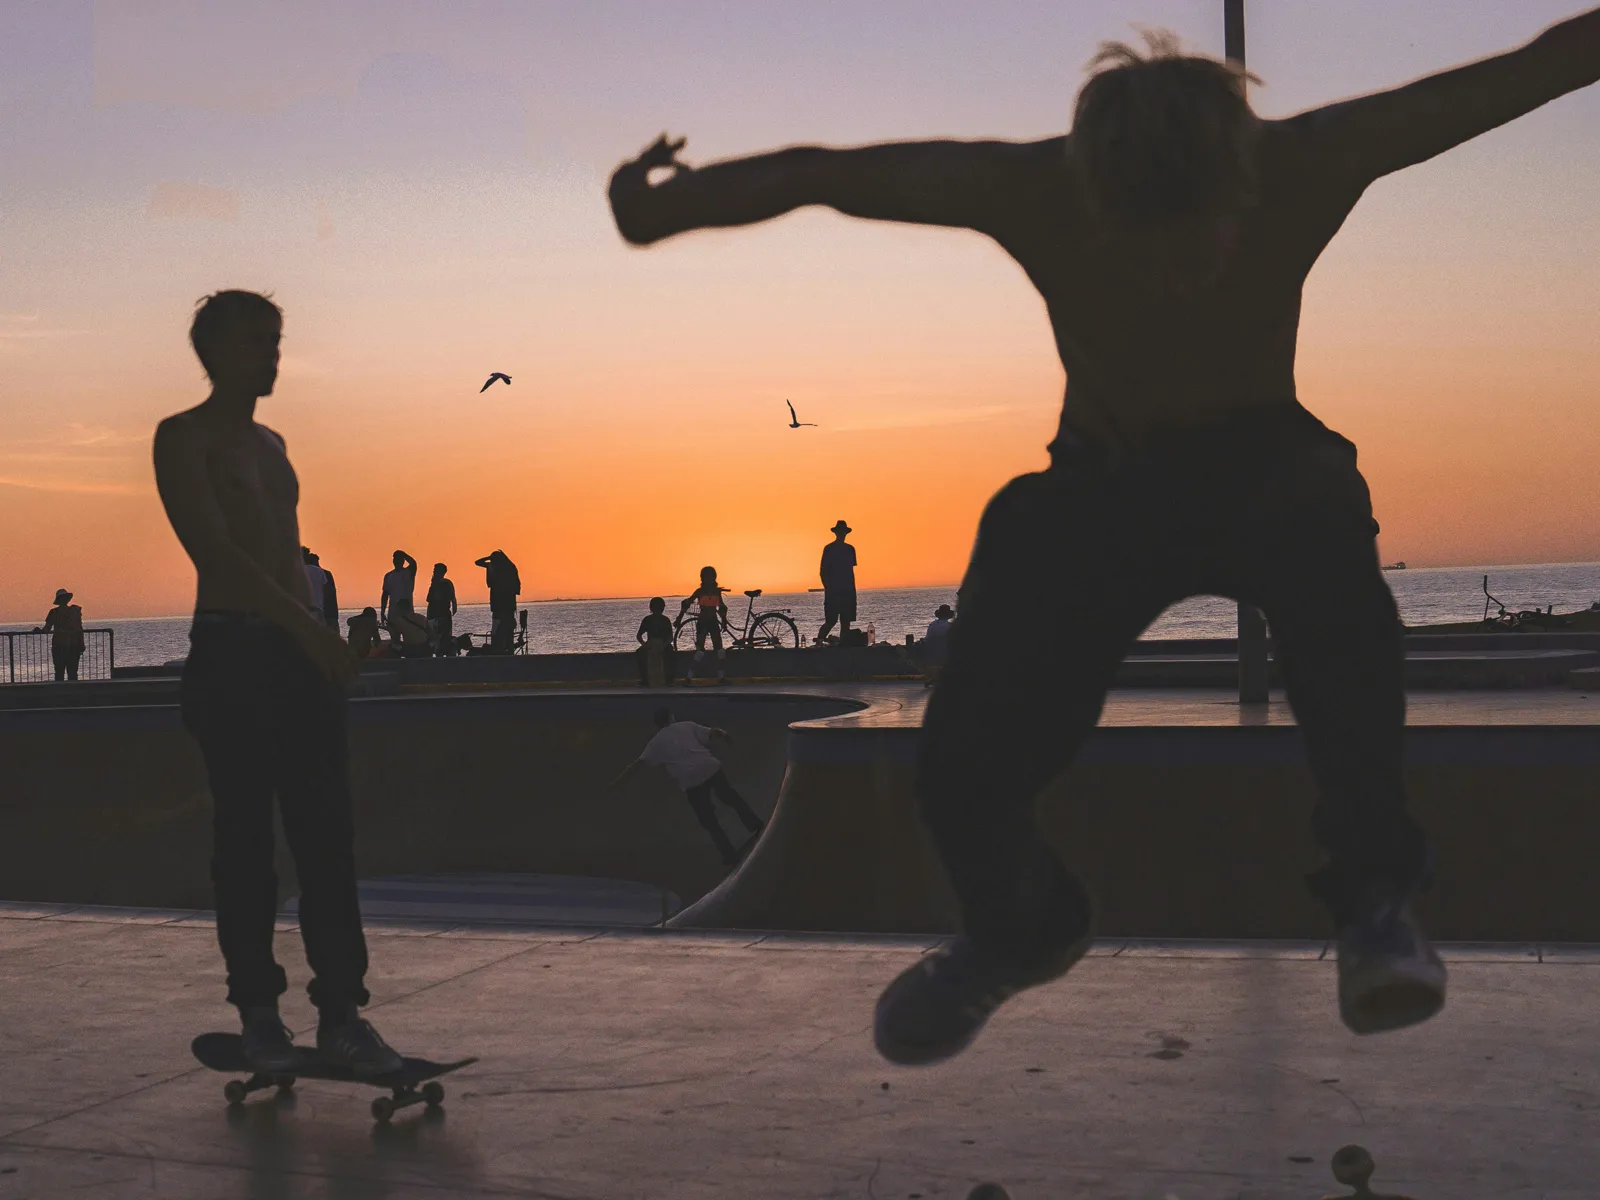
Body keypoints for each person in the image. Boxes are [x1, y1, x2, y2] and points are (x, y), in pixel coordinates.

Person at [609, 10, 1600, 1063]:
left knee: (1325, 527)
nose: (1174, 274)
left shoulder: (1308, 159)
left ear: (1242, 183)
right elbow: (828, 173)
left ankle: (1374, 900)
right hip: (1101, 484)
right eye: (1140, 247)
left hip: (1264, 464)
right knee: (965, 737)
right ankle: (1017, 921)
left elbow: (1526, 71)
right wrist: (658, 214)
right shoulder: (1033, 185)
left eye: (1198, 243)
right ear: (1092, 194)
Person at [152, 289, 401, 1076]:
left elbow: (286, 554)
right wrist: (307, 632)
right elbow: (218, 554)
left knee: (327, 841)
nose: (275, 354)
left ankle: (341, 1019)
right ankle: (261, 1016)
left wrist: (334, 636)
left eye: (278, 338)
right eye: (260, 341)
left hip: (299, 659)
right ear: (214, 351)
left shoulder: (274, 443)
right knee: (247, 844)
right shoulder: (182, 438)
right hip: (232, 657)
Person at [612, 707, 764, 865]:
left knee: (709, 820)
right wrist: (725, 735)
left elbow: (637, 765)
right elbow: (713, 732)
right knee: (731, 798)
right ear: (672, 717)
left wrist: (617, 783)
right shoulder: (686, 725)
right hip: (709, 768)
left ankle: (729, 854)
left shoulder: (655, 743)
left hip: (690, 781)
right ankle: (755, 824)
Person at [677, 566, 728, 684]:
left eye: (711, 577)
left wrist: (724, 621)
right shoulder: (699, 592)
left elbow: (721, 607)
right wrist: (679, 619)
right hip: (703, 622)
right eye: (706, 577)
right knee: (699, 652)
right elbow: (686, 603)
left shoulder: (716, 592)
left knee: (720, 651)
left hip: (714, 622)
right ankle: (688, 678)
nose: (708, 579)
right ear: (702, 578)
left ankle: (721, 678)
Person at [817, 520, 858, 644]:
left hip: (846, 591)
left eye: (843, 532)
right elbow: (823, 572)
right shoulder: (829, 549)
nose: (842, 534)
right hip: (835, 591)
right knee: (831, 620)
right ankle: (819, 642)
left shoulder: (850, 549)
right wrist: (828, 587)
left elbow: (850, 572)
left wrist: (852, 591)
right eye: (841, 532)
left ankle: (842, 647)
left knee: (845, 622)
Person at [474, 549, 521, 653]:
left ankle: (506, 648)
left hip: (503, 604)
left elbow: (478, 562)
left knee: (504, 627)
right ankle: (505, 649)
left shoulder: (505, 568)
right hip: (502, 603)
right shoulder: (498, 567)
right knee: (502, 627)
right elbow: (477, 562)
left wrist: (489, 559)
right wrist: (489, 558)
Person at [40, 588, 85, 681]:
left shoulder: (54, 612)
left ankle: (60, 692)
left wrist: (38, 631)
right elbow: (79, 629)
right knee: (72, 672)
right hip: (73, 645)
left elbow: (46, 629)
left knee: (60, 672)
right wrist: (81, 643)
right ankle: (72, 693)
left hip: (59, 645)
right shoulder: (75, 611)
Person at [636, 596, 676, 686]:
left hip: (663, 643)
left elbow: (670, 637)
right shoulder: (647, 620)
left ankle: (669, 679)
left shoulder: (665, 620)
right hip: (650, 643)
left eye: (660, 607)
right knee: (640, 652)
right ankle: (644, 680)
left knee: (670, 652)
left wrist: (664, 645)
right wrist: (644, 645)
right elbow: (639, 636)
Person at [380, 550, 417, 631]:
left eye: (399, 559)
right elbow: (385, 595)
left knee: (408, 635)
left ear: (403, 560)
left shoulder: (408, 572)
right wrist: (382, 612)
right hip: (393, 611)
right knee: (394, 636)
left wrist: (403, 554)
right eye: (395, 558)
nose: (397, 561)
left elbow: (413, 563)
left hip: (407, 611)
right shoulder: (388, 576)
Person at [426, 563, 458, 655]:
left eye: (435, 571)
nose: (434, 572)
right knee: (436, 640)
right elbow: (430, 600)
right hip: (435, 616)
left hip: (442, 616)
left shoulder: (445, 583)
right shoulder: (436, 583)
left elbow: (452, 598)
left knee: (443, 639)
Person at [922, 603, 955, 687]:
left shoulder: (932, 626)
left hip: (932, 655)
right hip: (947, 655)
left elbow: (927, 640)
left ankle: (935, 678)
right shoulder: (950, 627)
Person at [301, 547, 328, 620]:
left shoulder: (298, 571)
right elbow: (325, 590)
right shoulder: (320, 571)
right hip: (319, 609)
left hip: (304, 609)